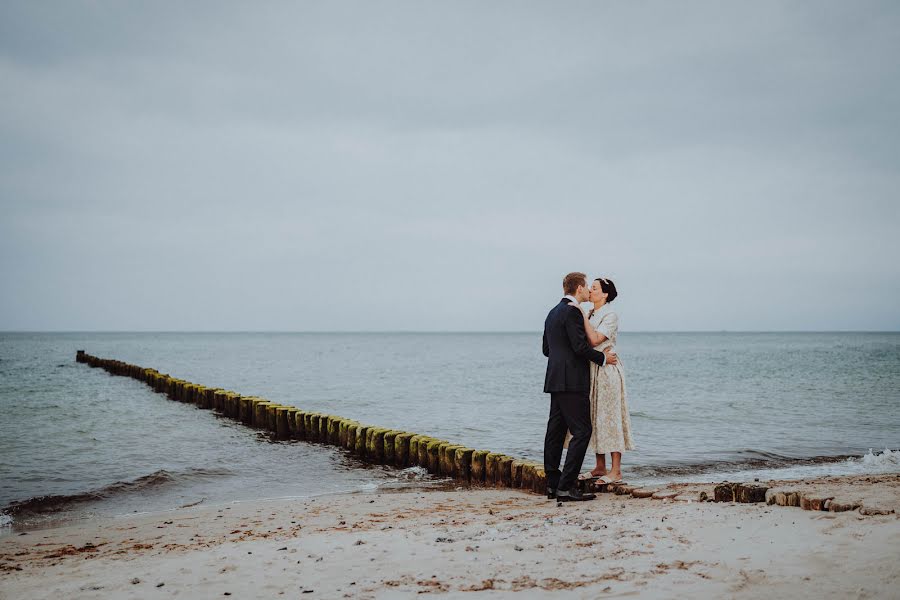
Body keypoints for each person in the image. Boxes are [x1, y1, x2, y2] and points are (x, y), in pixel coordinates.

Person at [542, 272, 618, 502]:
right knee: (582, 431)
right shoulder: (573, 311)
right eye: (586, 287)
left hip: (555, 379)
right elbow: (578, 348)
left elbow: (547, 349)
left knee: (554, 433)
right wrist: (603, 359)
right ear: (578, 289)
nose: (588, 290)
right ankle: (566, 487)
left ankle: (552, 486)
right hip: (573, 381)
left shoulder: (552, 312)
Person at [568, 277, 634, 484]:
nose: (590, 290)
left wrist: (580, 314)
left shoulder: (610, 314)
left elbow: (596, 339)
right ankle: (599, 466)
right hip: (591, 370)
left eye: (594, 288)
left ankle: (616, 470)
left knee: (610, 417)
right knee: (595, 418)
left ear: (605, 294)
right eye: (590, 287)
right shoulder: (591, 313)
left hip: (607, 371)